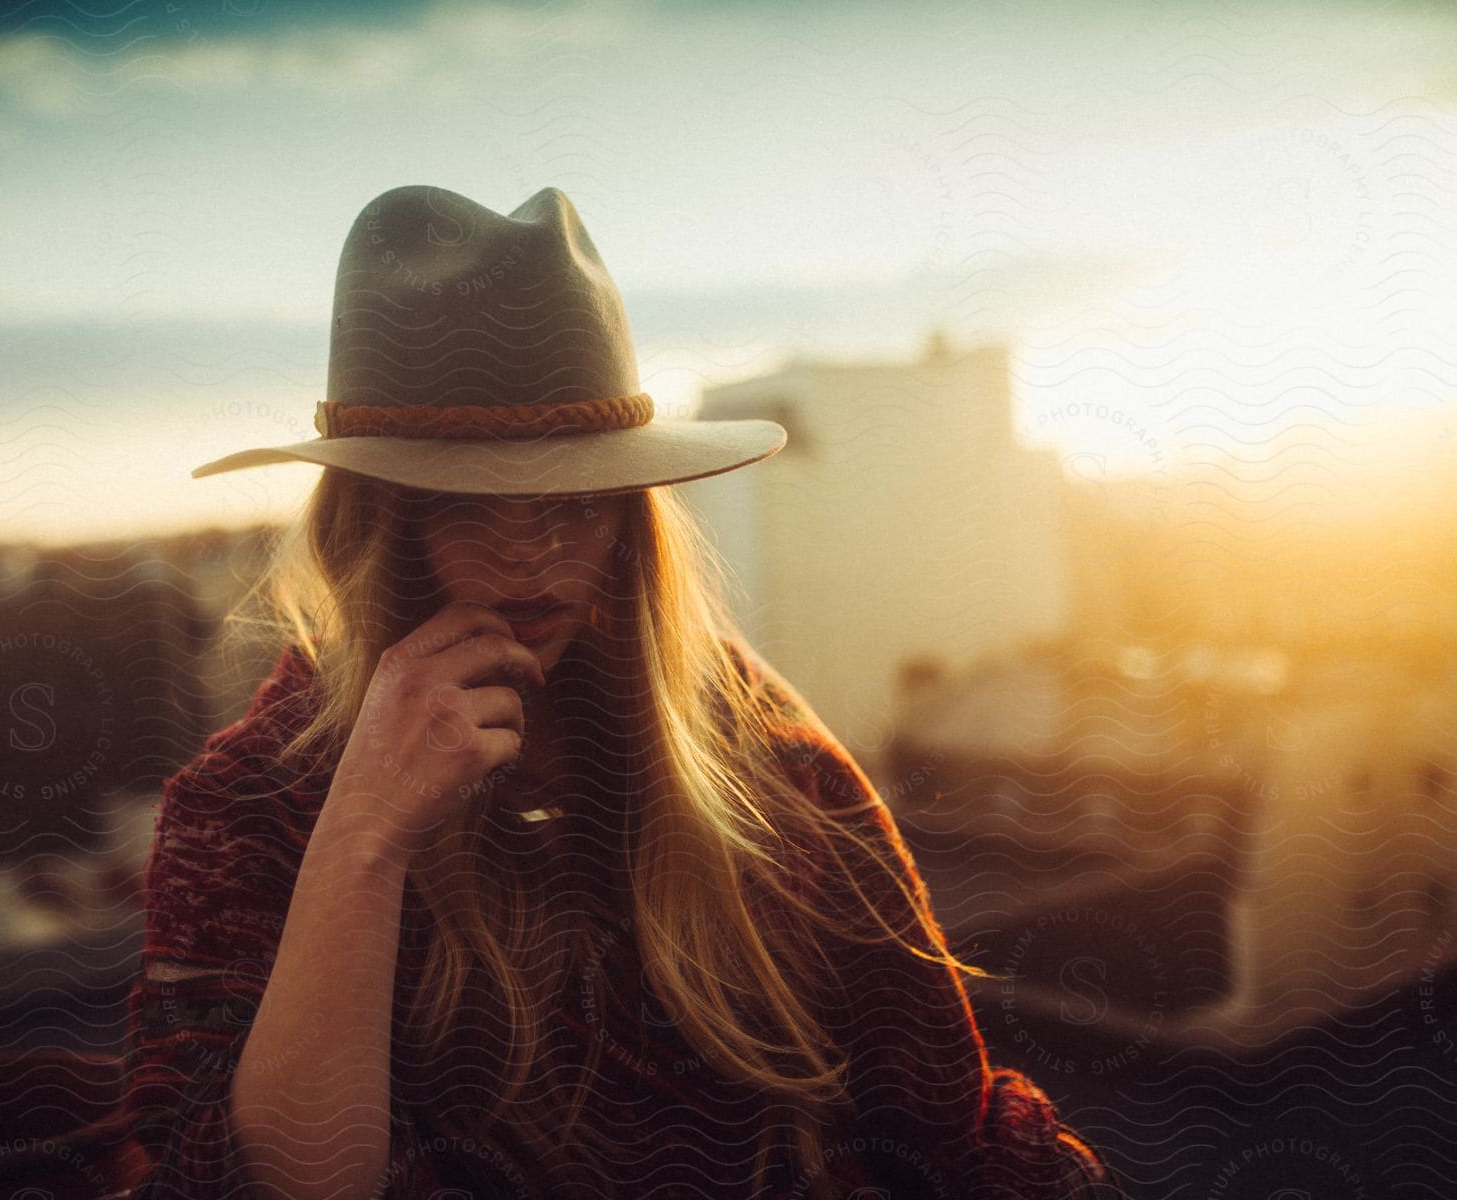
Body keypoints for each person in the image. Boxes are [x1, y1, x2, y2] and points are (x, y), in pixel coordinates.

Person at [125, 185, 1117, 1199]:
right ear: (378, 526)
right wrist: (365, 837)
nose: (533, 559)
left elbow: (943, 1121)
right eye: (471, 507)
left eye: (578, 501)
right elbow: (268, 1182)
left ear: (632, 516)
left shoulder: (748, 743)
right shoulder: (244, 812)